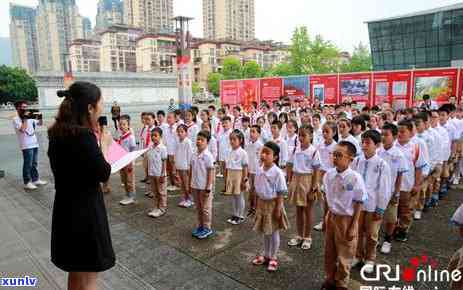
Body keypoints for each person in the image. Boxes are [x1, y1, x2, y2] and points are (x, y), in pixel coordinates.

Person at [48, 82, 115, 290]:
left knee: (76, 273)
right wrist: (103, 143)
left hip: (65, 210)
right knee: (89, 278)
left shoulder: (57, 133)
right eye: (100, 103)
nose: (101, 107)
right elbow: (103, 173)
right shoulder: (83, 137)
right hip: (85, 214)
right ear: (89, 108)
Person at [322, 141, 367, 290]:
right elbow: (326, 196)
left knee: (345, 254)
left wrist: (354, 225)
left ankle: (341, 283)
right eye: (333, 154)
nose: (335, 158)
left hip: (346, 220)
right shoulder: (329, 174)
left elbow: (359, 202)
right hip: (332, 216)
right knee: (329, 251)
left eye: (339, 155)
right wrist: (326, 217)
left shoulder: (355, 178)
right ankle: (330, 278)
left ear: (350, 158)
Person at [351, 130, 391, 273]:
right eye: (363, 142)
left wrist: (381, 208)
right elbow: (352, 180)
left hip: (373, 205)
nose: (364, 145)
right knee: (357, 231)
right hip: (358, 204)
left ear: (377, 145)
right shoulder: (357, 161)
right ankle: (358, 255)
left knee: (372, 234)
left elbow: (385, 188)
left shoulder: (381, 164)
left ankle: (370, 258)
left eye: (368, 143)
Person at [251, 141, 289, 272]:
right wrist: (256, 203)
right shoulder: (259, 169)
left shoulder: (277, 172)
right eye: (263, 152)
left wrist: (278, 208)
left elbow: (281, 192)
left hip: (273, 204)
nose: (264, 155)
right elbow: (257, 187)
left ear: (275, 157)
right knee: (265, 231)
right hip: (262, 203)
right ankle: (266, 254)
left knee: (274, 232)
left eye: (267, 153)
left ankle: (274, 257)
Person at [287, 125, 321, 250]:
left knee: (308, 210)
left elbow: (317, 170)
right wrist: (290, 179)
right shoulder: (296, 149)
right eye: (299, 135)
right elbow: (289, 163)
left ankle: (307, 236)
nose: (301, 138)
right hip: (297, 179)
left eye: (304, 135)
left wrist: (313, 187)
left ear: (311, 136)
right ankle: (299, 235)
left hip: (307, 180)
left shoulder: (313, 151)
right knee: (299, 210)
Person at [377, 123, 407, 255]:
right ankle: (375, 237)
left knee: (390, 217)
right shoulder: (378, 152)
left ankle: (387, 240)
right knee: (377, 216)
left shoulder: (398, 155)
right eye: (382, 134)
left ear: (394, 137)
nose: (383, 137)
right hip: (378, 190)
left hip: (391, 191)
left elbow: (400, 175)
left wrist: (396, 193)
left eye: (386, 135)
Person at [13, 101, 47, 190]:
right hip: (26, 145)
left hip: (34, 143)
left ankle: (35, 179)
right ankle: (27, 182)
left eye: (26, 107)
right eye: (23, 107)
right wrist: (25, 119)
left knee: (34, 163)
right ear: (18, 108)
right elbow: (23, 130)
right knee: (28, 163)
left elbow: (40, 124)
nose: (25, 109)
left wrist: (40, 117)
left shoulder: (30, 118)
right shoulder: (16, 119)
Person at [190, 130, 216, 239]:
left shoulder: (208, 156)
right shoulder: (194, 154)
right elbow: (191, 169)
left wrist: (208, 187)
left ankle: (207, 228)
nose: (199, 142)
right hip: (195, 185)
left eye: (202, 140)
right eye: (198, 139)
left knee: (205, 208)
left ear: (207, 142)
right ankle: (200, 225)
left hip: (204, 187)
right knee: (198, 207)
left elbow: (210, 172)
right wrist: (190, 183)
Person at [225, 129, 249, 225]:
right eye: (230, 139)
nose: (232, 141)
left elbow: (245, 167)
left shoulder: (243, 152)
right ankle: (235, 214)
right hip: (231, 174)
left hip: (239, 175)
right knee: (233, 196)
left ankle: (240, 215)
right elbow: (228, 165)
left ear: (241, 140)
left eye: (234, 139)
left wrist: (245, 179)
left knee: (239, 196)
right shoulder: (230, 151)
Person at [147, 127, 168, 218]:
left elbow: (164, 162)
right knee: (155, 191)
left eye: (155, 135)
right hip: (152, 173)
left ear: (160, 136)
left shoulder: (162, 148)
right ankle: (156, 207)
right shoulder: (151, 147)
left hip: (160, 174)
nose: (153, 137)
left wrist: (163, 174)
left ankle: (162, 208)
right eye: (152, 135)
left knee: (161, 192)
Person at [117, 115, 137, 205]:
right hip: (122, 161)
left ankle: (131, 196)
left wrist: (132, 162)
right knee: (124, 179)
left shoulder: (130, 137)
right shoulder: (121, 136)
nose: (122, 126)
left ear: (128, 125)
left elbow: (133, 150)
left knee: (129, 180)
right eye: (120, 124)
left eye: (124, 124)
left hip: (128, 162)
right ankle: (127, 194)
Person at [245, 125, 263, 217]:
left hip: (257, 171)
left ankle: (257, 208)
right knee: (250, 190)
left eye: (254, 132)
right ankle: (252, 207)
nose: (251, 134)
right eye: (250, 132)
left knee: (256, 190)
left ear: (259, 134)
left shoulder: (260, 145)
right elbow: (247, 158)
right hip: (250, 170)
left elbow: (261, 160)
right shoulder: (248, 145)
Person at [175, 124, 194, 208]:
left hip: (186, 167)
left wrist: (189, 167)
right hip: (179, 166)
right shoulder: (178, 141)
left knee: (187, 184)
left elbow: (190, 155)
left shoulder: (188, 142)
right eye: (178, 131)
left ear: (186, 133)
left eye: (182, 131)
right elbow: (177, 154)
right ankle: (184, 198)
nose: (180, 133)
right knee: (181, 184)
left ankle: (190, 199)